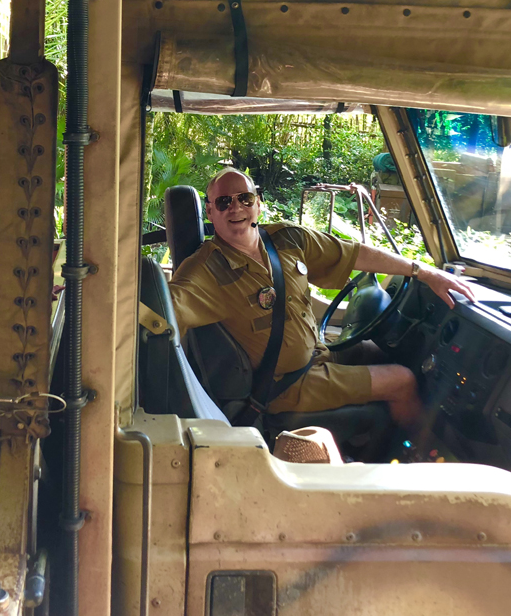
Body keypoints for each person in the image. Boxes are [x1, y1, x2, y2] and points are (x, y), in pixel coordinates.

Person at [169, 167, 476, 429]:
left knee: (375, 349)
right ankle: (416, 461)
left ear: (257, 205)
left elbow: (355, 253)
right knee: (403, 380)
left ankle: (367, 441)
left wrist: (423, 271)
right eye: (223, 202)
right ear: (209, 211)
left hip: (316, 355)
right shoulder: (204, 270)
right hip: (282, 387)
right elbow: (166, 309)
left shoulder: (287, 239)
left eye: (244, 199)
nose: (235, 208)